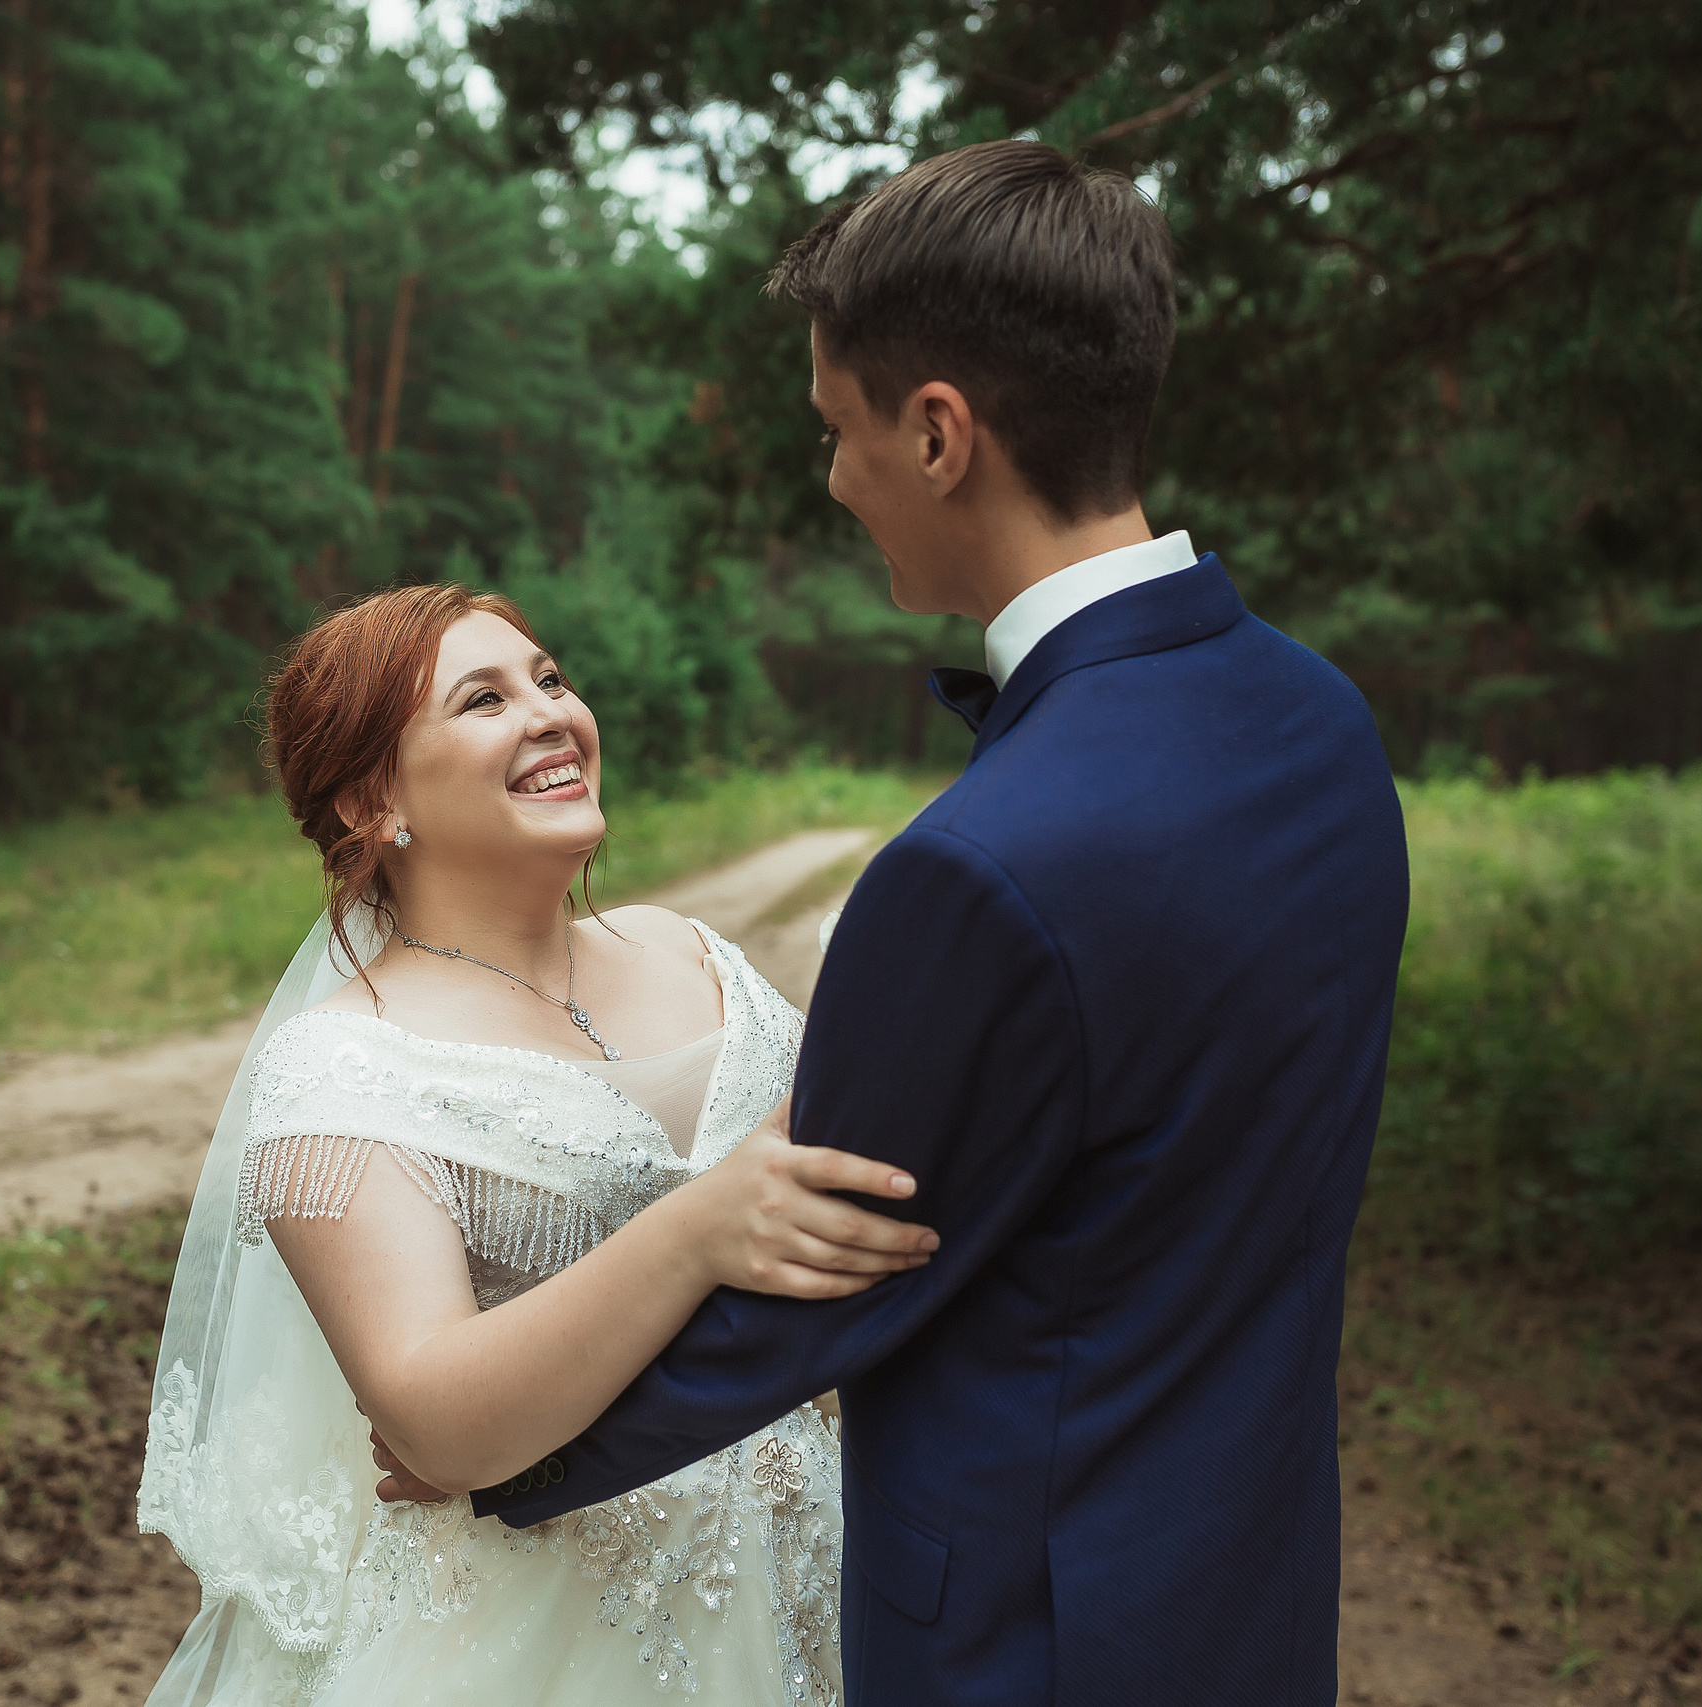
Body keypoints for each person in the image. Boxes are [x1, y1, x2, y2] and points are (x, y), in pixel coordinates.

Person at [454, 139, 1412, 1705]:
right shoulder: (1321, 723)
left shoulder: (977, 869)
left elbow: (814, 1282)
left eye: (837, 428)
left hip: (1027, 1639)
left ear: (940, 431)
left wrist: (488, 1452)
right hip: (1250, 1597)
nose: (832, 478)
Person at [134, 580, 938, 1707]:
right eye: (482, 700)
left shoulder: (695, 955)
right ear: (373, 800)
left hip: (822, 1589)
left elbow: (858, 1206)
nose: (549, 712)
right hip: (546, 1647)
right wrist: (698, 1233)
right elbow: (435, 1420)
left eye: (549, 679)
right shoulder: (342, 1066)